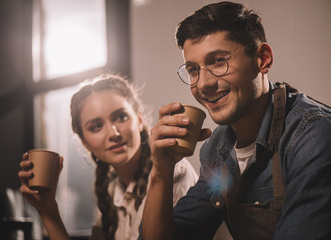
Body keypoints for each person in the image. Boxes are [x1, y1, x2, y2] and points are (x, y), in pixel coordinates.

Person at [140, 1, 331, 240]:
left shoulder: (314, 137)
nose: (203, 83)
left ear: (263, 59)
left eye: (219, 61)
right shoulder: (218, 150)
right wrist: (161, 169)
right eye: (193, 69)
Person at [19, 74, 198, 240]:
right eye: (96, 126)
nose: (114, 133)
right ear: (84, 142)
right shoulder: (111, 189)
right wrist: (48, 210)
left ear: (139, 119)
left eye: (121, 117)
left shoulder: (172, 171)